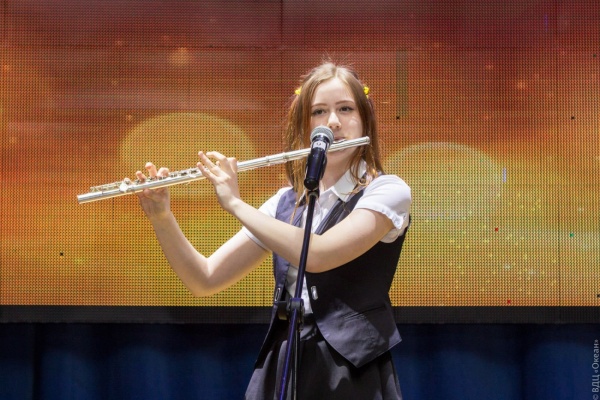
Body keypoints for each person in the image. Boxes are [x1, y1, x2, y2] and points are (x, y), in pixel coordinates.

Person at [134, 61, 411, 400]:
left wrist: (235, 204)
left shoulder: (387, 191)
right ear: (305, 126)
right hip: (285, 357)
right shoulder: (284, 203)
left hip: (352, 369)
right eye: (319, 112)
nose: (333, 122)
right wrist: (162, 216)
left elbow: (318, 253)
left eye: (345, 109)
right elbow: (204, 279)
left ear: (364, 119)